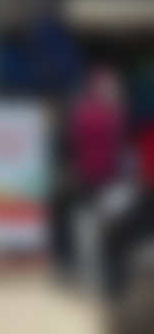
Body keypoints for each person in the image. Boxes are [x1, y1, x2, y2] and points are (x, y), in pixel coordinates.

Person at [66, 67, 128, 296]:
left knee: (89, 230)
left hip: (89, 177)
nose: (115, 92)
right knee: (105, 231)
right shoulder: (113, 114)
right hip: (104, 178)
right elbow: (118, 148)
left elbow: (71, 143)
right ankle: (103, 280)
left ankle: (91, 278)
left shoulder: (80, 112)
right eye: (112, 88)